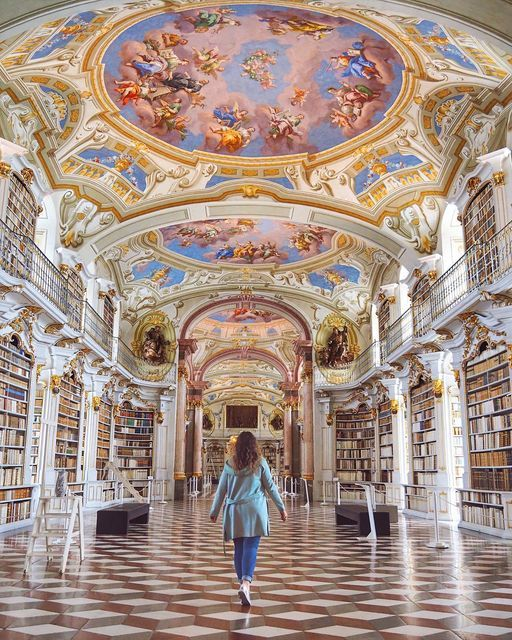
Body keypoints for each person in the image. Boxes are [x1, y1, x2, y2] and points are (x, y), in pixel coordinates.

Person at [209, 431, 287, 606]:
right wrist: (281, 508)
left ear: (237, 446)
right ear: (254, 445)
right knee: (251, 546)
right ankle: (245, 584)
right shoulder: (260, 463)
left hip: (235, 511)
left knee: (239, 548)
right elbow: (271, 487)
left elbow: (221, 490)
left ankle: (242, 585)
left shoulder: (229, 464)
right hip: (255, 510)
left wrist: (214, 511)